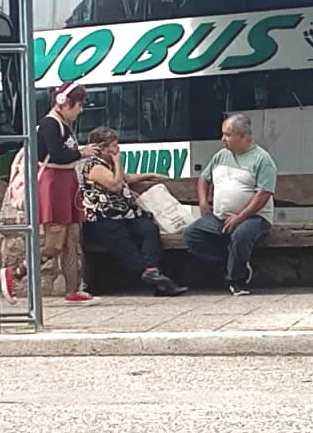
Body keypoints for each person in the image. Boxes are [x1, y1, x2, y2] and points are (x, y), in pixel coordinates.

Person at [1, 82, 98, 305]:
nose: (80, 110)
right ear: (66, 103)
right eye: (79, 105)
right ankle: (15, 273)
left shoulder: (63, 123)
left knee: (71, 240)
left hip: (67, 182)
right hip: (53, 183)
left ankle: (73, 289)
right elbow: (57, 155)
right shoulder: (49, 124)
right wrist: (82, 152)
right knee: (54, 243)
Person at [77, 127, 186, 297]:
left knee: (148, 229)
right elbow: (116, 185)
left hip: (125, 215)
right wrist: (118, 161)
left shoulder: (108, 164)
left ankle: (152, 270)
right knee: (127, 248)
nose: (117, 149)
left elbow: (126, 179)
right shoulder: (94, 166)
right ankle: (159, 283)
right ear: (101, 148)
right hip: (103, 219)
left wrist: (150, 175)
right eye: (113, 145)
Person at [183, 114, 276, 296]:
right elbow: (204, 179)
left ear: (242, 136)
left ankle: (237, 280)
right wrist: (203, 202)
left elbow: (263, 194)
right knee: (192, 235)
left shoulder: (262, 159)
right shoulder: (221, 156)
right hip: (220, 217)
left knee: (241, 235)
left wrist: (240, 217)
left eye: (227, 135)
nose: (222, 139)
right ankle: (230, 262)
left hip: (254, 217)